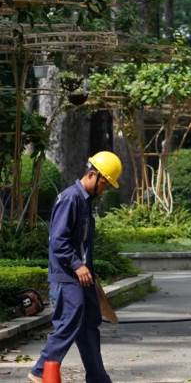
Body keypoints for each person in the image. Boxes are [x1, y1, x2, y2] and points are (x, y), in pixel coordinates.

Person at [29, 152, 122, 383]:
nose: (105, 189)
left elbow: (81, 243)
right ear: (93, 175)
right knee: (69, 321)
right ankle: (41, 370)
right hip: (67, 275)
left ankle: (98, 378)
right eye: (105, 183)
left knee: (90, 325)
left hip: (83, 276)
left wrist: (88, 268)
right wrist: (77, 265)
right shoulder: (70, 199)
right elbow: (58, 240)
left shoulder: (85, 202)